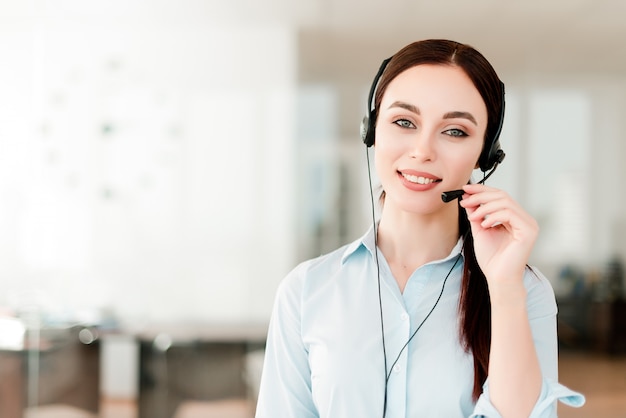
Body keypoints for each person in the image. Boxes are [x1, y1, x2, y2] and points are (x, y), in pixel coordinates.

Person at [255, 39, 585, 417]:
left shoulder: (524, 291)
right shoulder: (305, 291)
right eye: (404, 122)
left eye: (455, 131)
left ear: (485, 153)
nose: (423, 150)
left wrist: (505, 291)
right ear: (372, 130)